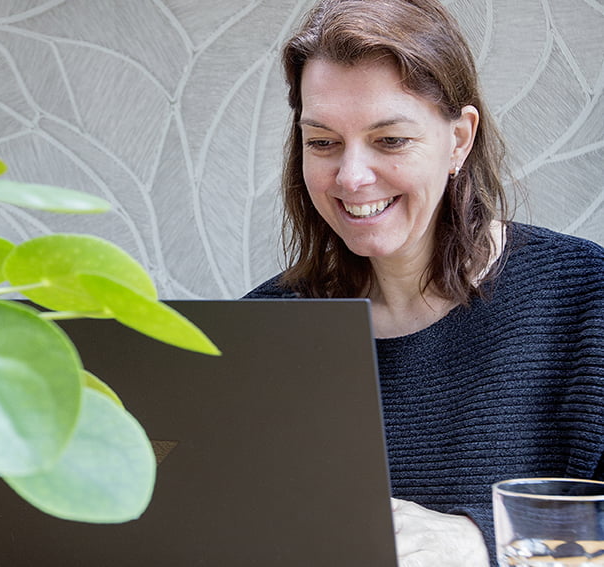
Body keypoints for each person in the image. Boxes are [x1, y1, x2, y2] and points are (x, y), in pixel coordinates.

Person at [243, 0, 604, 565]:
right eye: (323, 142)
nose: (352, 177)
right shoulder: (259, 330)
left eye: (390, 141)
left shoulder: (586, 297)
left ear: (459, 139)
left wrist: (483, 540)